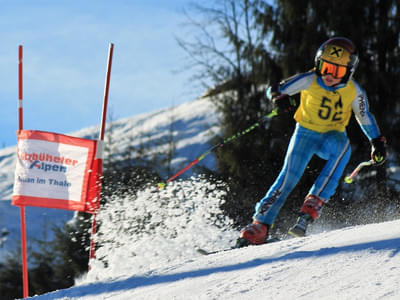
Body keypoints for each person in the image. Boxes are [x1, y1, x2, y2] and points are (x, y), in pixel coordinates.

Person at [239, 37, 388, 245]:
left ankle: (314, 201)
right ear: (318, 63)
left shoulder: (354, 91)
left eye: (336, 71)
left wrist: (376, 141)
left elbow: (365, 116)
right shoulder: (310, 79)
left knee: (343, 147)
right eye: (325, 67)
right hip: (305, 134)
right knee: (288, 176)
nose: (328, 75)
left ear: (348, 71)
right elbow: (275, 89)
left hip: (331, 137)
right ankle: (260, 224)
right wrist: (279, 98)